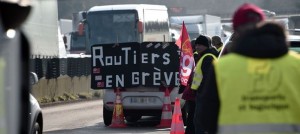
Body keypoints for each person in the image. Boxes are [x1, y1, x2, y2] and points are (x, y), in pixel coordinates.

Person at [198, 3, 300, 134]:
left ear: (237, 32)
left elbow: (206, 116)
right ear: (262, 26)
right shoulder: (295, 65)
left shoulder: (222, 68)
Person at [189, 35, 218, 134]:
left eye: (200, 45)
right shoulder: (205, 56)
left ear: (206, 46)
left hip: (205, 95)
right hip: (204, 95)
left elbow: (208, 78)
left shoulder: (208, 58)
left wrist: (201, 91)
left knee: (200, 123)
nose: (197, 47)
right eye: (196, 44)